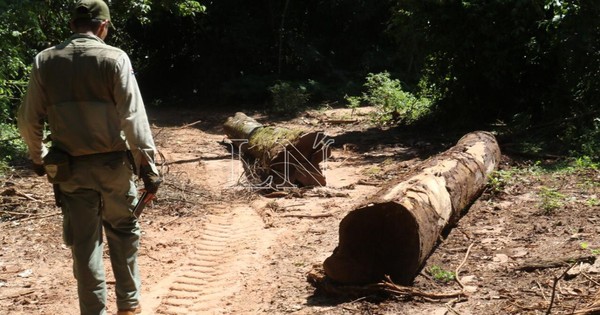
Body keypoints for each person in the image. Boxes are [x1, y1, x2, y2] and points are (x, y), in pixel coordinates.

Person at [17, 0, 161, 314]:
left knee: (85, 245)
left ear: (72, 26)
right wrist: (146, 164)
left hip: (70, 171)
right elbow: (133, 117)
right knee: (123, 231)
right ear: (103, 26)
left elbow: (29, 119)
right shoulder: (115, 58)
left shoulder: (46, 60)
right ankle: (129, 305)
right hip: (113, 167)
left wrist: (38, 157)